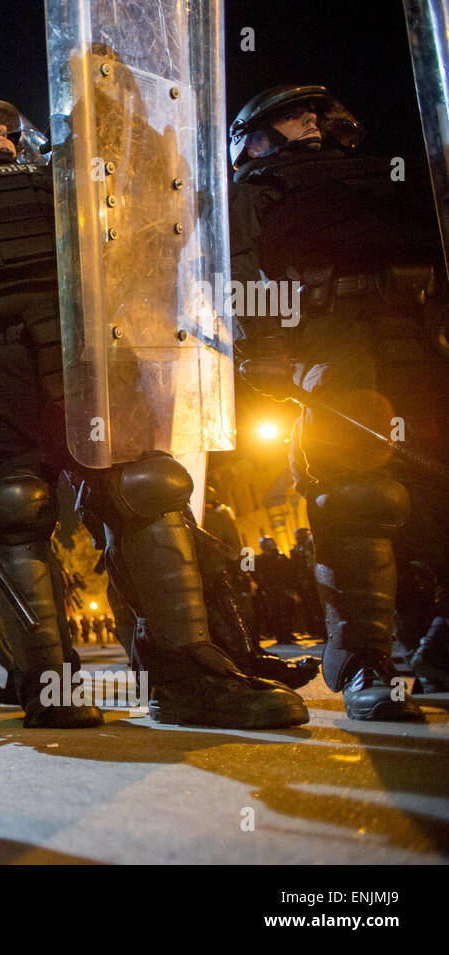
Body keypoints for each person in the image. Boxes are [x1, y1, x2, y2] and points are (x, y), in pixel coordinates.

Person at [0, 99, 309, 729]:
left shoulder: (66, 188)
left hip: (88, 353)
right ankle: (49, 684)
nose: (1, 141)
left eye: (9, 132)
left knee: (146, 487)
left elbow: (145, 236)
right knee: (14, 506)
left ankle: (189, 676)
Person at [230, 84, 447, 720]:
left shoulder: (390, 173)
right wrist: (263, 348)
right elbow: (240, 274)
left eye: (312, 112)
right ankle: (364, 664)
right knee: (357, 492)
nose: (307, 121)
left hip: (416, 338)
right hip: (333, 343)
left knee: (433, 490)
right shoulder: (257, 190)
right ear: (260, 134)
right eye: (291, 115)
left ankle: (438, 645)